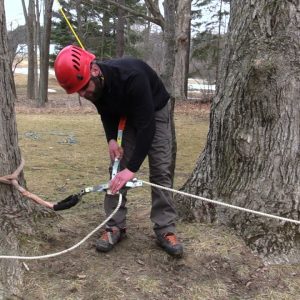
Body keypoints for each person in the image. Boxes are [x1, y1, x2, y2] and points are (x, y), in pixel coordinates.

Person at [54, 45, 183, 257]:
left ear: (94, 70)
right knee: (116, 170)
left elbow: (147, 127)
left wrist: (132, 169)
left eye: (85, 88)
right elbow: (105, 111)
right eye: (78, 92)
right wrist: (112, 139)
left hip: (154, 112)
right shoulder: (94, 87)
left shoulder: (132, 77)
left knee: (160, 170)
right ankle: (115, 226)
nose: (84, 94)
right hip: (126, 113)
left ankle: (165, 228)